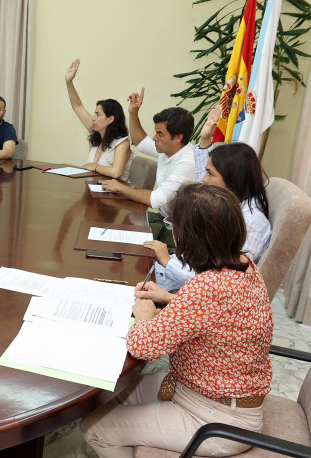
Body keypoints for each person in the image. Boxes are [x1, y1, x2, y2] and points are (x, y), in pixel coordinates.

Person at [81, 183, 273, 458]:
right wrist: (172, 299)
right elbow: (226, 315)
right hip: (204, 393)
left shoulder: (207, 286)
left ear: (189, 237)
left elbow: (143, 347)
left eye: (176, 227)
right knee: (103, 399)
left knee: (95, 426)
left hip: (217, 419)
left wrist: (145, 317)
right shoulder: (244, 263)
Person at [145, 106, 271, 291]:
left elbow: (220, 283)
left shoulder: (250, 223)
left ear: (232, 179)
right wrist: (205, 139)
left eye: (210, 174)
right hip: (181, 270)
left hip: (188, 290)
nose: (204, 179)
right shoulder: (228, 203)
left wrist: (166, 260)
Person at [102, 88, 195, 246]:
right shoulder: (167, 148)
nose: (155, 138)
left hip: (180, 231)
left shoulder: (187, 162)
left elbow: (156, 199)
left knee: (123, 240)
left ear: (178, 137)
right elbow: (140, 142)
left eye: (160, 134)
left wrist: (120, 187)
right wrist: (133, 113)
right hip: (163, 217)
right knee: (115, 224)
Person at [65, 59, 133, 181]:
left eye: (98, 114)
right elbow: (77, 106)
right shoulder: (97, 135)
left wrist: (94, 166)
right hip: (93, 191)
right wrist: (69, 81)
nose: (93, 118)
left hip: (115, 197)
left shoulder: (122, 143)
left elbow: (116, 172)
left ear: (110, 119)